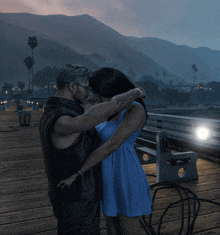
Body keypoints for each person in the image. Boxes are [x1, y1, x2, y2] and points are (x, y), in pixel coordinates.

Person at [39, 64, 146, 235]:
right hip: (76, 194)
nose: (90, 94)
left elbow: (97, 112)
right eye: (87, 88)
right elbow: (102, 112)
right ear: (72, 87)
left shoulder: (57, 111)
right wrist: (135, 91)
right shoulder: (63, 119)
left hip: (101, 181)